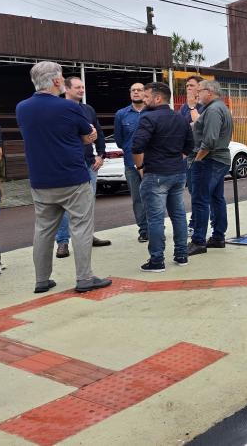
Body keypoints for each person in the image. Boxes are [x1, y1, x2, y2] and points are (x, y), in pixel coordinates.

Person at [16, 61, 111, 294]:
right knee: (80, 226)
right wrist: (82, 138)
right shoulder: (69, 108)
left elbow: (41, 136)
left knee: (43, 230)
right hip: (72, 177)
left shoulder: (22, 108)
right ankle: (84, 278)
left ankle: (41, 280)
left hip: (40, 179)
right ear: (57, 81)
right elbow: (88, 133)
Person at [131, 83, 193, 272]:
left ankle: (157, 260)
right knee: (179, 215)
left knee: (156, 219)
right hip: (177, 173)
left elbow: (136, 146)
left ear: (158, 98)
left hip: (155, 174)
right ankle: (182, 255)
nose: (144, 99)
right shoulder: (180, 118)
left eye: (147, 96)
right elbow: (189, 147)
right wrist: (174, 159)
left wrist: (140, 166)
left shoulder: (148, 117)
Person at [55, 76, 111, 258]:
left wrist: (101, 155)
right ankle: (62, 242)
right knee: (64, 205)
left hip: (89, 164)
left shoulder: (88, 110)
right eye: (77, 87)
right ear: (66, 89)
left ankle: (87, 236)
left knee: (88, 203)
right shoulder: (58, 110)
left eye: (83, 87)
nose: (81, 90)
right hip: (67, 165)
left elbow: (99, 132)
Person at [188, 79, 233, 256]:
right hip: (217, 159)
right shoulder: (219, 108)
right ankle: (218, 236)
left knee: (200, 200)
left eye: (199, 90)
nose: (196, 93)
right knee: (216, 198)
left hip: (210, 160)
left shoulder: (213, 110)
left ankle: (199, 240)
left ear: (210, 92)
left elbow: (210, 140)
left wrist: (197, 160)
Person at [114, 82, 148, 242]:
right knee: (137, 199)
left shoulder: (152, 112)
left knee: (155, 196)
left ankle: (156, 227)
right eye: (133, 90)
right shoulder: (121, 114)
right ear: (130, 94)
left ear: (145, 93)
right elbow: (120, 141)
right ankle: (144, 230)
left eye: (139, 90)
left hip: (152, 163)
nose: (136, 92)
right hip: (131, 164)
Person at [180, 75, 205, 236]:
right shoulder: (183, 107)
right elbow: (181, 127)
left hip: (201, 155)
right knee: (191, 190)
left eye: (191, 85)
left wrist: (191, 107)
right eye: (187, 85)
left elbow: (199, 125)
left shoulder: (204, 106)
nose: (188, 88)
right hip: (187, 155)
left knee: (199, 193)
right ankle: (196, 222)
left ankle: (196, 224)